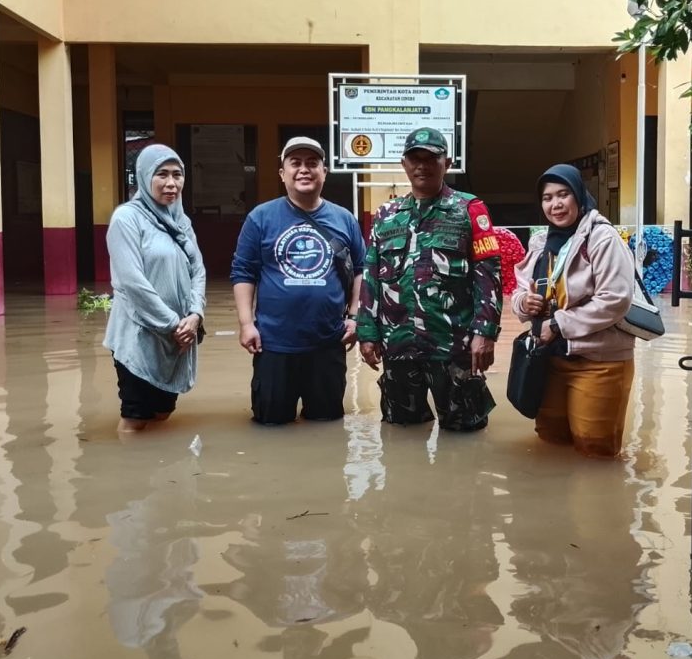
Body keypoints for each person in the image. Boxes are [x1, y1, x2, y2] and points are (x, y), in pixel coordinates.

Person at [357, 128, 502, 431]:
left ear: (447, 163)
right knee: (401, 436)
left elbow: (488, 275)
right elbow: (371, 276)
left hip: (454, 346)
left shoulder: (469, 209)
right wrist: (367, 333)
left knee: (465, 434)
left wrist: (485, 332)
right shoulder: (386, 215)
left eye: (431, 158)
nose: (422, 165)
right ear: (404, 164)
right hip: (398, 345)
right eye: (415, 158)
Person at [230, 136, 366, 425]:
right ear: (283, 173)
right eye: (296, 163)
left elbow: (360, 270)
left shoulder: (344, 219)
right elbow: (243, 271)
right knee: (271, 425)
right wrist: (246, 324)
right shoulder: (260, 218)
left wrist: (355, 317)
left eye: (312, 163)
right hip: (274, 345)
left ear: (324, 172)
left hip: (328, 343)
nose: (304, 169)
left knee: (327, 427)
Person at [511, 163, 636, 458]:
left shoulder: (602, 238)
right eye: (547, 198)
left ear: (579, 195)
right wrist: (524, 303)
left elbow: (616, 299)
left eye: (563, 194)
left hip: (598, 361)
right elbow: (519, 289)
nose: (555, 204)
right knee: (550, 441)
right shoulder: (540, 242)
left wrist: (557, 324)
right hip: (549, 360)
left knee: (595, 451)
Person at [104, 144, 206, 433]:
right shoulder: (127, 218)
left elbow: (198, 270)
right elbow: (132, 281)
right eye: (162, 174)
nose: (171, 183)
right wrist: (173, 324)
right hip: (140, 334)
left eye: (177, 174)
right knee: (135, 417)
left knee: (162, 412)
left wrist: (195, 315)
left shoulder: (181, 221)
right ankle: (130, 461)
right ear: (144, 176)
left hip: (178, 337)